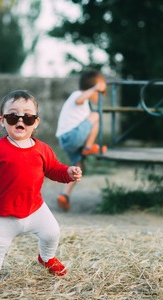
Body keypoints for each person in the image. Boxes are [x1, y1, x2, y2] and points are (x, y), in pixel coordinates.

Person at [0, 90, 82, 284]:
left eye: (28, 117)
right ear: (2, 120)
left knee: (52, 233)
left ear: (36, 122)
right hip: (3, 213)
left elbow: (54, 169)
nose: (20, 121)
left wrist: (68, 172)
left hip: (35, 209)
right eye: (13, 116)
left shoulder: (42, 149)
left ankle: (46, 258)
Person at [55, 68, 107, 212]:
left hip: (66, 140)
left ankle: (64, 195)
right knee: (96, 116)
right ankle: (88, 147)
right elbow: (80, 99)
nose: (100, 95)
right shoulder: (78, 95)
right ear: (92, 89)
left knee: (78, 168)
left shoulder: (85, 106)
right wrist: (96, 88)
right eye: (100, 92)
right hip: (71, 137)